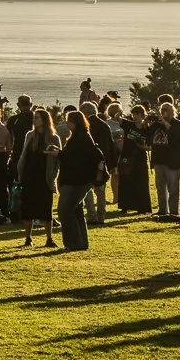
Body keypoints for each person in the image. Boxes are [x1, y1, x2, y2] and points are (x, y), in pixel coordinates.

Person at [55, 106, 109, 251]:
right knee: (76, 211)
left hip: (76, 181)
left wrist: (58, 154)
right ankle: (81, 243)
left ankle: (72, 243)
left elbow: (74, 159)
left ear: (74, 122)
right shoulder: (83, 136)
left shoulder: (79, 138)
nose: (67, 124)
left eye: (68, 121)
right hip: (80, 180)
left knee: (65, 211)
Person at [13, 107, 59, 247]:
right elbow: (24, 155)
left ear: (44, 120)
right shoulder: (30, 135)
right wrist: (20, 173)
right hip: (29, 176)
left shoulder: (53, 137)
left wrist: (53, 176)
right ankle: (28, 237)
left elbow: (57, 159)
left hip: (45, 176)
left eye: (37, 117)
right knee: (27, 208)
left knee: (46, 208)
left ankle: (49, 238)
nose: (34, 120)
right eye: (34, 117)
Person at [150, 100, 180, 219]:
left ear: (172, 111)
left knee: (173, 188)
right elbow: (149, 135)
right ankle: (162, 210)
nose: (163, 112)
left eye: (165, 109)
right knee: (160, 187)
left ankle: (173, 212)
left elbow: (175, 135)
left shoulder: (177, 123)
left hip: (172, 161)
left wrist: (165, 123)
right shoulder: (157, 124)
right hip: (158, 160)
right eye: (161, 109)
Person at [114, 105, 153, 215]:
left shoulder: (147, 129)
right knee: (126, 181)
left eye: (138, 114)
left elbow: (149, 147)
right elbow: (117, 118)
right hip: (127, 157)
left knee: (141, 182)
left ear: (142, 115)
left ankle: (142, 207)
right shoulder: (128, 124)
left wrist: (142, 146)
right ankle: (125, 206)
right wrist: (119, 111)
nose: (135, 116)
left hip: (140, 158)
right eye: (134, 114)